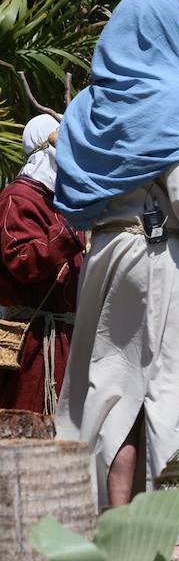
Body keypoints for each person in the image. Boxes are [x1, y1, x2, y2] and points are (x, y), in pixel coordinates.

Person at [54, 0, 179, 507]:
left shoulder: (89, 106)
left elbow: (73, 190)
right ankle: (166, 523)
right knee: (173, 389)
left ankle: (106, 513)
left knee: (108, 390)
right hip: (162, 255)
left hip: (106, 254)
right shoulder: (173, 99)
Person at [0, 115, 84, 415]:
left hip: (61, 339)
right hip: (33, 342)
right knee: (28, 429)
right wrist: (70, 231)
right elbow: (21, 261)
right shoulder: (19, 196)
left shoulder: (57, 203)